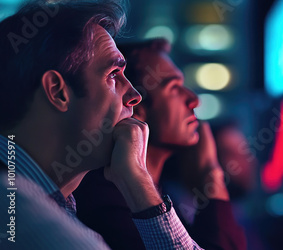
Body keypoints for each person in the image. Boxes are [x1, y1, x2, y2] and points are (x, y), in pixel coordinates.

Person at [0, 1, 201, 249]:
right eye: (114, 75)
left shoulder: (48, 206)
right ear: (57, 91)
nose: (135, 95)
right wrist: (138, 180)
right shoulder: (32, 222)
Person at [73, 38, 247, 250]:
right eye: (174, 88)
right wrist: (211, 175)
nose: (193, 100)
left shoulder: (160, 193)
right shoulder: (108, 205)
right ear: (134, 104)